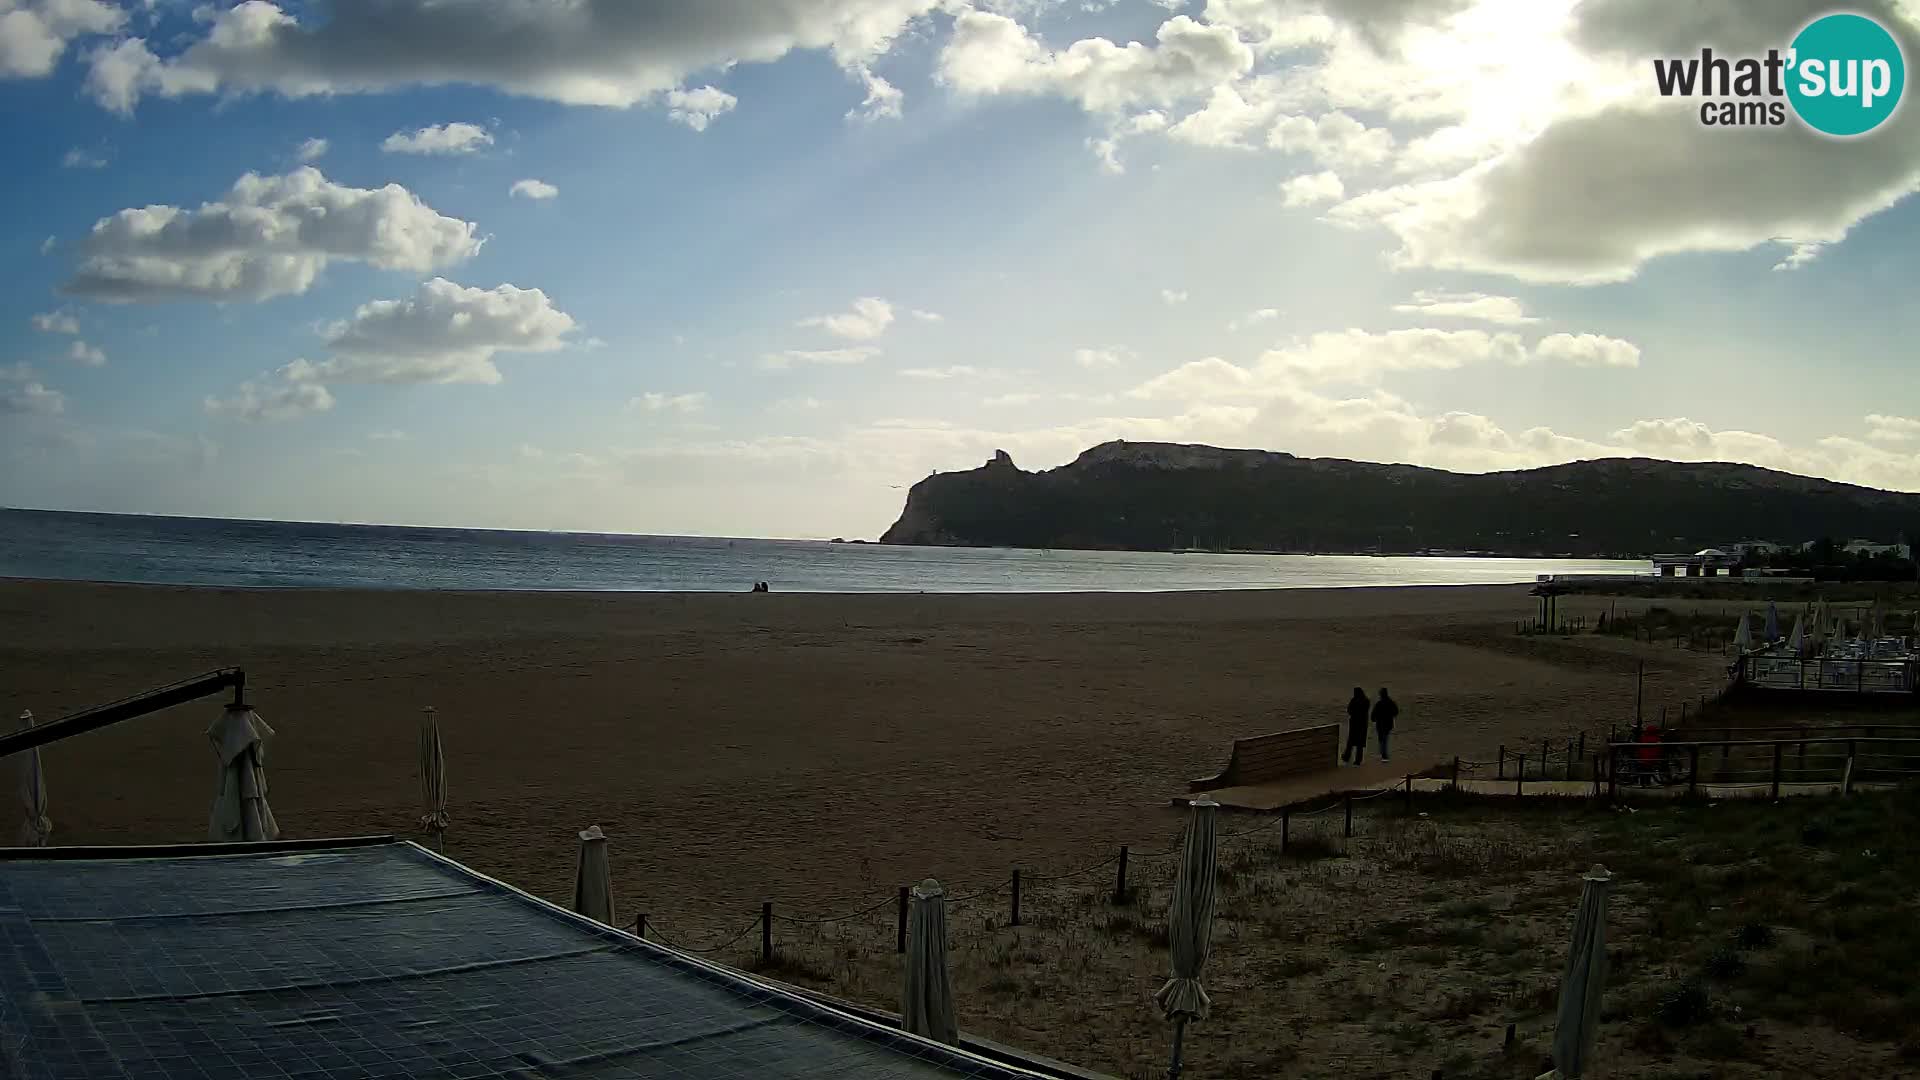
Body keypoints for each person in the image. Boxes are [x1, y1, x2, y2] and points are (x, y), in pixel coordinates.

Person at [1343, 688, 1369, 764]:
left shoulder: (1354, 700)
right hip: (1363, 724)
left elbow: (1349, 710)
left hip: (1354, 724)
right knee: (1360, 744)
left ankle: (1347, 757)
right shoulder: (1366, 701)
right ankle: (1358, 760)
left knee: (1350, 742)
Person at [1372, 688, 1399, 762]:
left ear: (1381, 695)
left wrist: (1373, 719)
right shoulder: (1391, 702)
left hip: (1380, 724)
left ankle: (1383, 754)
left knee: (1381, 739)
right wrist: (1391, 715)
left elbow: (1374, 713)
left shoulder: (1379, 703)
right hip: (1388, 723)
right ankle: (1383, 753)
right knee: (1385, 739)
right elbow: (1396, 712)